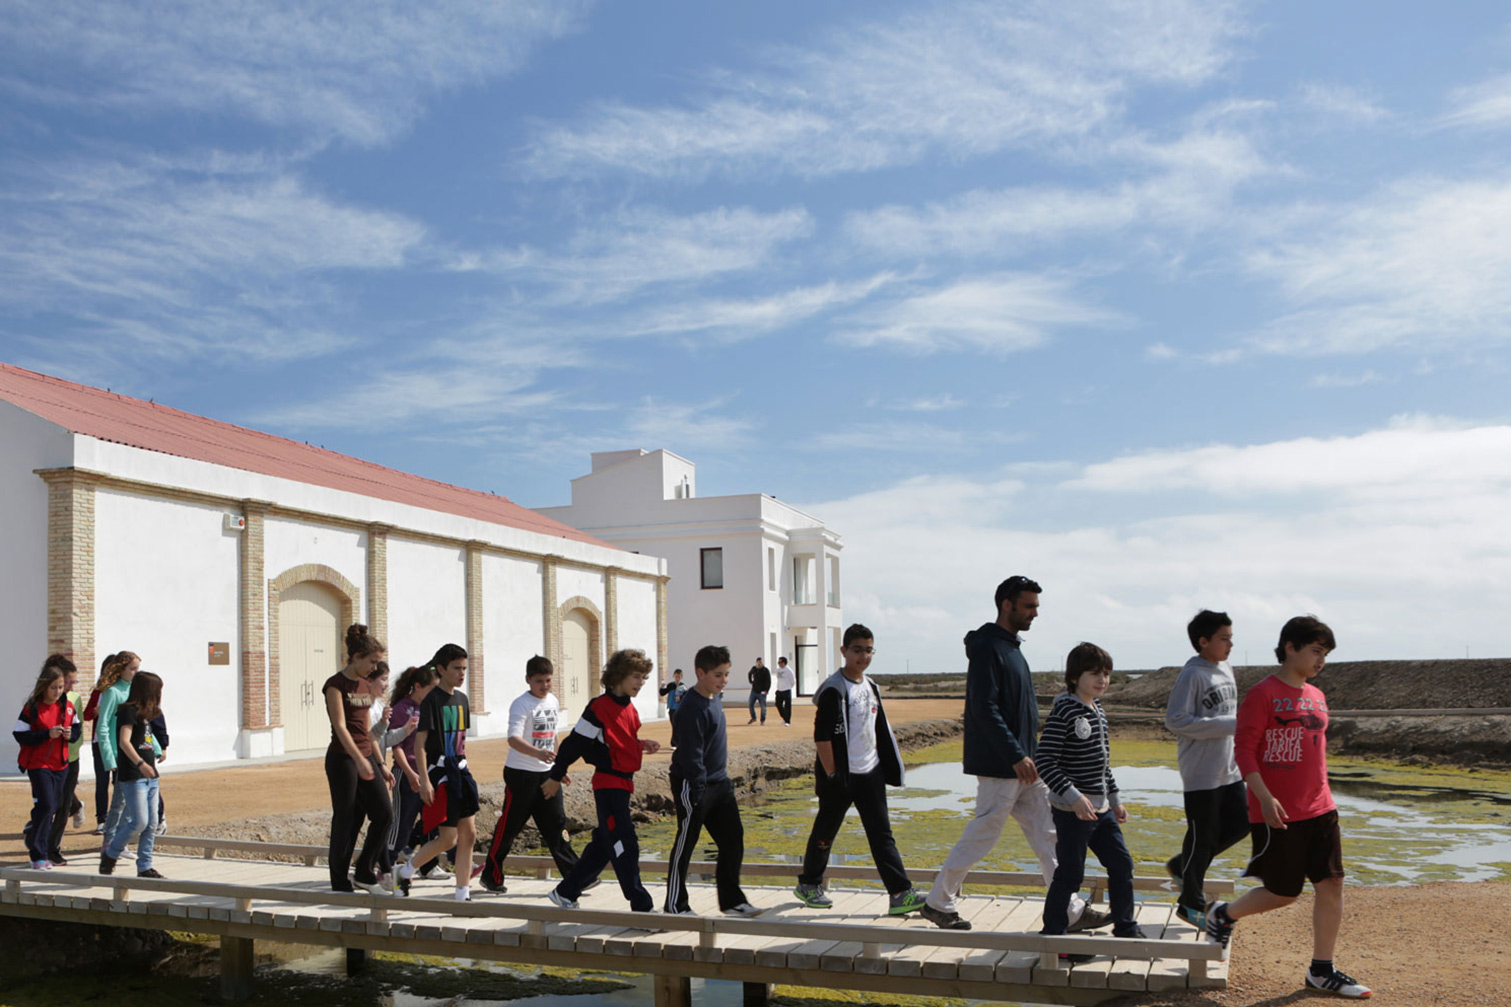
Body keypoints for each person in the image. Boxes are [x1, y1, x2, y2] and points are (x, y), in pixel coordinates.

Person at [921, 577, 1106, 932]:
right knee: (984, 833)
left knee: (1047, 833)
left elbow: (1018, 711)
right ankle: (938, 902)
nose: (1035, 613)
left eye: (1036, 606)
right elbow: (983, 708)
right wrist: (1015, 755)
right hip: (1003, 764)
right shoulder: (989, 648)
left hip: (1026, 765)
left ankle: (1070, 909)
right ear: (1007, 605)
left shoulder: (1011, 648)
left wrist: (1031, 756)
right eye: (1029, 606)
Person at [1206, 617, 1371, 999]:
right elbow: (1244, 749)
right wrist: (1264, 798)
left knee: (1332, 882)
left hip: (1321, 808)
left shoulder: (1317, 695)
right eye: (1316, 651)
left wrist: (1324, 795)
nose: (1321, 660)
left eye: (1325, 654)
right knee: (1283, 893)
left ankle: (1321, 970)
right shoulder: (1262, 694)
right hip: (1276, 811)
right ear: (1290, 647)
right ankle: (1224, 914)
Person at [793, 624, 927, 916]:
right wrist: (832, 775)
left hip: (870, 773)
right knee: (826, 831)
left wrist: (886, 767)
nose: (863, 656)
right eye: (857, 650)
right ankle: (809, 884)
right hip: (840, 776)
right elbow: (822, 737)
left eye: (868, 650)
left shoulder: (870, 686)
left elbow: (876, 730)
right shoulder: (834, 690)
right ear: (844, 651)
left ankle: (900, 894)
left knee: (881, 835)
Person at [1037, 644, 1144, 961]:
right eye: (1094, 673)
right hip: (1072, 812)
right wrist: (1074, 796)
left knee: (1121, 864)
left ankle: (1125, 926)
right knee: (1070, 874)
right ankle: (1055, 940)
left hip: (1101, 810)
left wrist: (1115, 799)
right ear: (1074, 677)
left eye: (1107, 673)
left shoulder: (1098, 711)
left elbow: (1103, 764)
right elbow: (1045, 761)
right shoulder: (1065, 711)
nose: (1102, 679)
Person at [542, 649, 662, 912]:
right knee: (625, 844)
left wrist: (640, 744)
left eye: (644, 677)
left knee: (604, 845)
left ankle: (565, 892)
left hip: (623, 785)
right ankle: (642, 908)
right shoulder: (599, 707)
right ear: (618, 676)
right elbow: (574, 744)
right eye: (636, 676)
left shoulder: (629, 708)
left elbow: (617, 743)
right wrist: (555, 776)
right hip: (608, 787)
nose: (641, 682)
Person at [1164, 610, 1247, 928]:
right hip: (1200, 771)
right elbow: (1176, 720)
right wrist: (1229, 725)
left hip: (1229, 767)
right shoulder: (1193, 674)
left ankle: (1183, 865)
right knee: (1203, 837)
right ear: (1203, 641)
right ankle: (1190, 905)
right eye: (1224, 638)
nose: (1230, 644)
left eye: (1231, 637)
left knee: (1242, 823)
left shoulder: (1226, 668)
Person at [664, 645, 760, 917]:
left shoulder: (715, 698)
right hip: (693, 785)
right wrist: (697, 789)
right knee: (686, 842)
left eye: (727, 674)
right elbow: (691, 755)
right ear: (700, 673)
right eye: (718, 675)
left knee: (733, 840)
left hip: (720, 784)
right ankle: (675, 905)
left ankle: (732, 902)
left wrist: (720, 782)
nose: (724, 680)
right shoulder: (691, 707)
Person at [480, 656, 581, 894]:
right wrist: (537, 753)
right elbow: (513, 739)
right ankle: (491, 875)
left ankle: (576, 876)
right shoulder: (521, 704)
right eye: (539, 681)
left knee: (557, 825)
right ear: (528, 680)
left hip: (547, 775)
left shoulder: (553, 701)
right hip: (521, 775)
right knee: (510, 827)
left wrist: (559, 769)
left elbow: (553, 735)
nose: (544, 686)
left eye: (548, 680)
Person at [399, 644, 479, 902]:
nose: (462, 673)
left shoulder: (462, 699)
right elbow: (420, 744)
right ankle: (406, 871)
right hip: (440, 774)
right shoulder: (433, 700)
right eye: (457, 668)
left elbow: (460, 740)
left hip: (461, 770)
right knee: (448, 839)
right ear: (442, 669)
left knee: (470, 833)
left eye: (465, 668)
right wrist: (424, 781)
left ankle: (462, 893)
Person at [323, 624, 393, 895]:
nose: (374, 668)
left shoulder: (366, 684)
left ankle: (364, 871)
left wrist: (380, 764)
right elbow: (341, 727)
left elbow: (366, 731)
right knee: (346, 817)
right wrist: (359, 760)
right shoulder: (335, 685)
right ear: (356, 658)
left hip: (365, 756)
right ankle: (340, 882)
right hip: (343, 760)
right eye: (372, 661)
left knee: (384, 813)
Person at [14, 656, 82, 870]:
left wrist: (70, 734)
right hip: (38, 764)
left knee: (52, 806)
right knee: (47, 805)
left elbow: (78, 729)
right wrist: (46, 734)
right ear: (44, 686)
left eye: (61, 687)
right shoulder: (32, 707)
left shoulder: (68, 707)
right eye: (54, 687)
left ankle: (35, 838)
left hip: (61, 764)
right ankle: (38, 853)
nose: (58, 691)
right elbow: (19, 734)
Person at [99, 671, 165, 878]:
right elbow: (124, 742)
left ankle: (145, 866)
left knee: (152, 823)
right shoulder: (128, 711)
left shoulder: (148, 714)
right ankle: (111, 853)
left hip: (150, 776)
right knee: (139, 821)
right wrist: (140, 763)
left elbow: (148, 739)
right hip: (133, 774)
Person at [384, 664, 435, 885]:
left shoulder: (430, 708)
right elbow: (397, 747)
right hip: (407, 774)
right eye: (430, 688)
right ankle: (387, 864)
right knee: (401, 822)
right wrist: (411, 774)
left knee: (430, 820)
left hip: (426, 773)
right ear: (417, 686)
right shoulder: (403, 708)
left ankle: (425, 864)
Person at [94, 651, 142, 846]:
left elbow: (142, 723)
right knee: (119, 802)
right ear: (121, 670)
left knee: (132, 802)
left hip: (136, 752)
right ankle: (109, 843)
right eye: (132, 669)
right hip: (119, 753)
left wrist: (155, 746)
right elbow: (102, 725)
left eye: (138, 668)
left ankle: (119, 841)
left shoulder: (136, 691)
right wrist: (108, 757)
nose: (136, 673)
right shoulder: (112, 692)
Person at [49, 659, 87, 860]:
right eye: (69, 682)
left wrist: (72, 740)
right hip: (47, 761)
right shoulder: (42, 701)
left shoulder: (74, 699)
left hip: (70, 757)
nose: (72, 687)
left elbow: (78, 728)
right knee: (49, 802)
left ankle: (53, 848)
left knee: (62, 805)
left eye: (73, 682)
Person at [746, 657, 770, 725]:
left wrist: (767, 690)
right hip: (754, 691)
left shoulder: (765, 670)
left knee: (763, 707)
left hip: (762, 692)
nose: (759, 664)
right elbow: (749, 674)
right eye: (758, 662)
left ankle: (762, 720)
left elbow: (768, 681)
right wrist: (750, 681)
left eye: (761, 662)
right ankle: (753, 718)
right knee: (750, 704)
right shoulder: (754, 668)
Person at [772, 656, 795, 726]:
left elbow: (793, 681)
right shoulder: (778, 670)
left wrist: (788, 687)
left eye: (780, 662)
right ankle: (785, 718)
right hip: (779, 690)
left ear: (784, 663)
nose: (779, 664)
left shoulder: (789, 671)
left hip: (786, 690)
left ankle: (787, 721)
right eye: (778, 662)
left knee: (787, 706)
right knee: (778, 704)